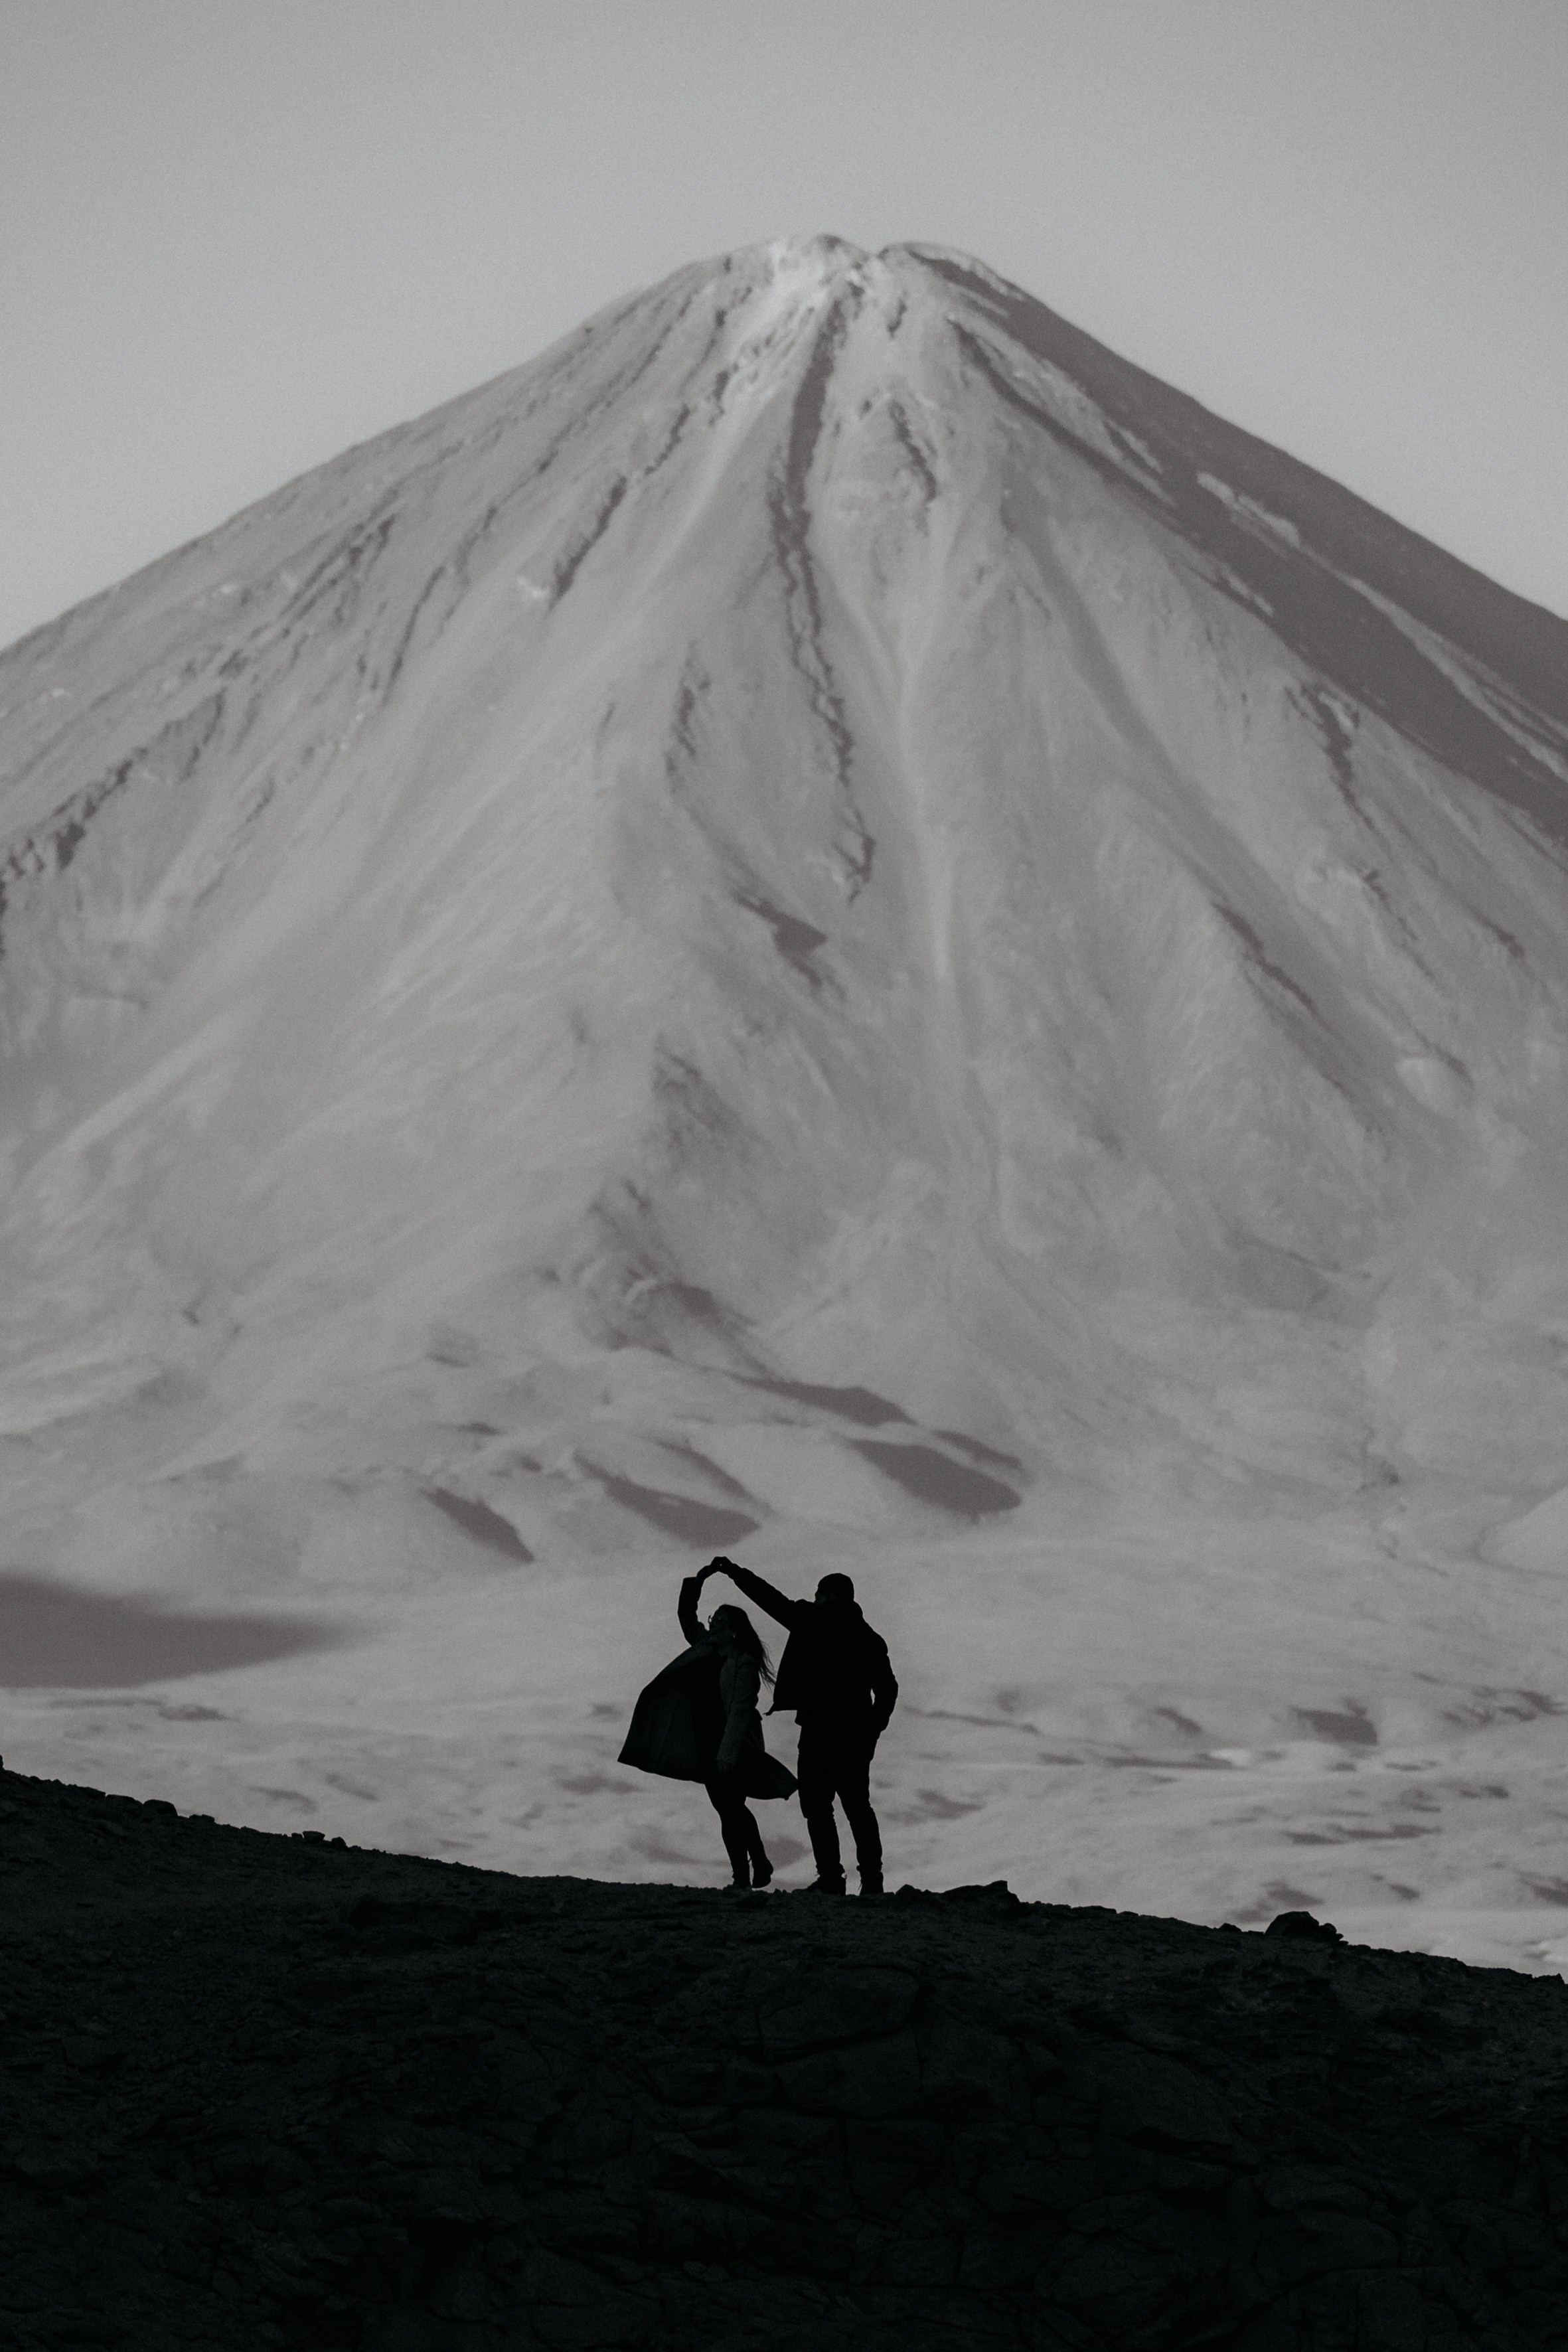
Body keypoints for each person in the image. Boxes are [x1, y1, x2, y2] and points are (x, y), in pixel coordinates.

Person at [702, 1555, 897, 1899]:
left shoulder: (811, 1619)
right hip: (855, 1734)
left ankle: (831, 1879)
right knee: (858, 1806)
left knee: (818, 1806)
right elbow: (888, 1689)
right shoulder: (871, 1639)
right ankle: (873, 1881)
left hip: (820, 1729)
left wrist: (733, 1572)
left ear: (825, 1595)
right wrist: (873, 1728)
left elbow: (769, 1598)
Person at [617, 1568, 797, 1889]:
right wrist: (697, 1583)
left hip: (733, 1744)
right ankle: (748, 1870)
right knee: (726, 1809)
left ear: (734, 1631)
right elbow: (687, 1618)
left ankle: (753, 1867)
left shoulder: (743, 1664)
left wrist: (727, 1755)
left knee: (731, 1808)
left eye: (720, 1622)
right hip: (704, 1740)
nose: (712, 1624)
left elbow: (740, 1713)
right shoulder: (706, 1647)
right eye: (713, 1619)